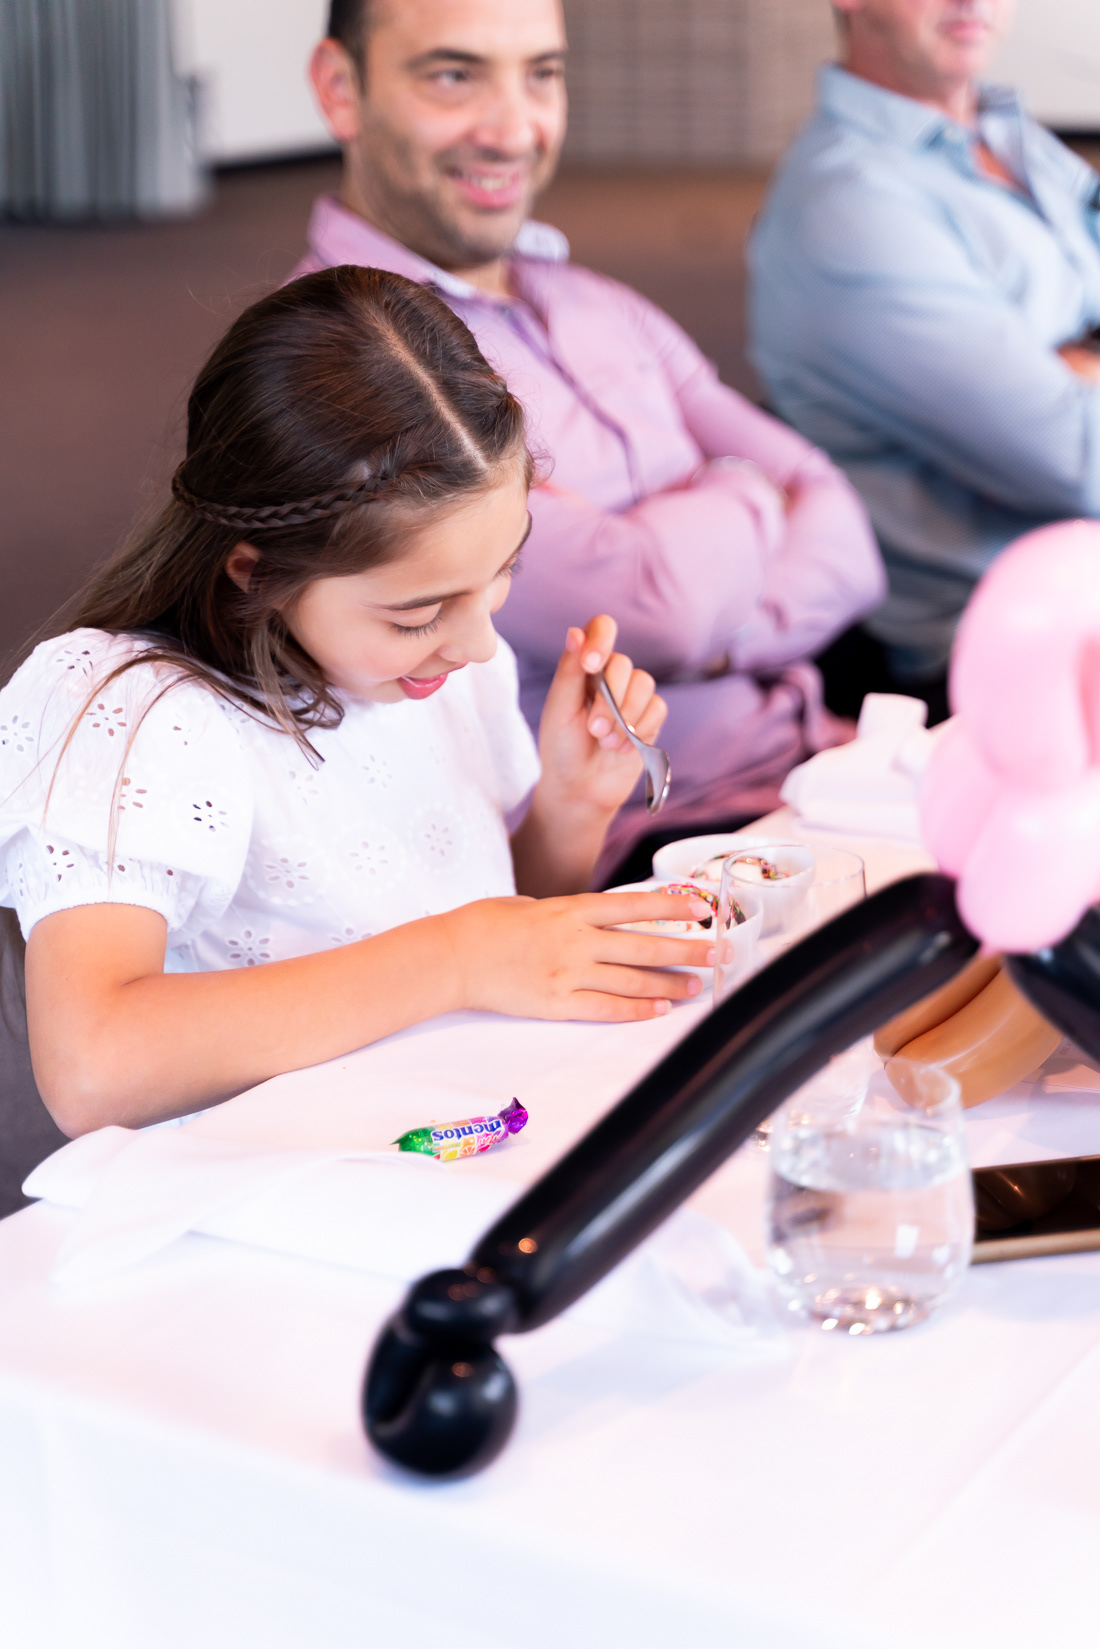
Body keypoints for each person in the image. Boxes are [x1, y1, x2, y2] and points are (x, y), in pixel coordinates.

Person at [0, 266, 718, 1136]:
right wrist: (454, 958)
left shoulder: (442, 670)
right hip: (261, 1181)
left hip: (449, 1135)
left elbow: (502, 945)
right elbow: (92, 1068)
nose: (478, 642)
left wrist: (570, 808)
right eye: (418, 614)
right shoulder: (131, 710)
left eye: (503, 573)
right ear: (256, 571)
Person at [298, 0, 885, 882]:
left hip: (822, 763)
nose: (512, 130)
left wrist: (719, 631)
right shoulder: (345, 362)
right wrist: (747, 490)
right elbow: (659, 613)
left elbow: (845, 527)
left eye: (541, 75)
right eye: (454, 75)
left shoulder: (598, 301)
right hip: (646, 841)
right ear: (341, 90)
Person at [748, 0, 1100, 715]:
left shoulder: (1006, 134)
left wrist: (1073, 361)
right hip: (1004, 661)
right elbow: (1085, 460)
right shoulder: (847, 204)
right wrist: (1062, 369)